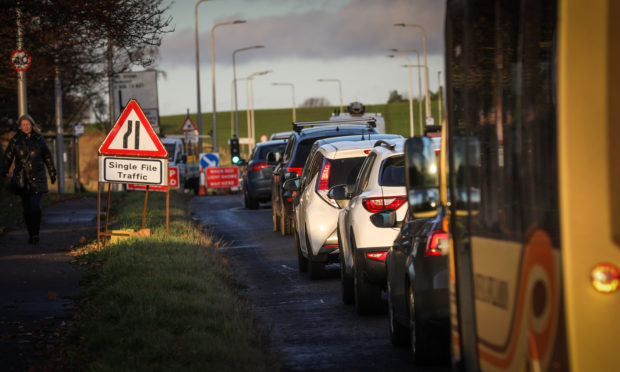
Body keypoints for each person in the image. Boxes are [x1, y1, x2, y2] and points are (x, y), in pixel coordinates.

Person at [2, 114, 56, 244]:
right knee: (26, 209)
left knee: (35, 206)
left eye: (28, 124)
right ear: (20, 127)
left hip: (37, 177)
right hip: (22, 179)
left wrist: (52, 172)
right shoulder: (15, 141)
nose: (26, 127)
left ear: (32, 125)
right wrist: (3, 171)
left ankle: (36, 233)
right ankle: (31, 233)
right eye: (24, 125)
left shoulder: (39, 139)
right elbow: (8, 157)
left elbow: (47, 156)